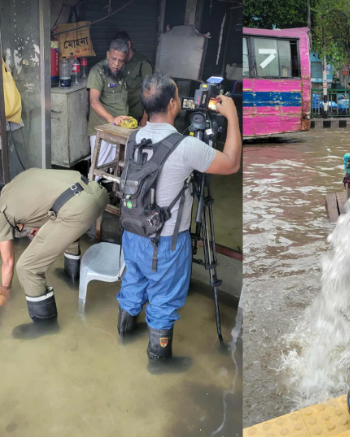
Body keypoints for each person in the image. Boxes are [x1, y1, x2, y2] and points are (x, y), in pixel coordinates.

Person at [116, 73, 241, 365]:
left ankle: (122, 337)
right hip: (166, 244)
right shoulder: (186, 147)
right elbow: (232, 164)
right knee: (164, 300)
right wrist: (232, 117)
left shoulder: (134, 136)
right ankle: (158, 364)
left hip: (132, 233)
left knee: (132, 284)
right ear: (174, 103)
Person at [0, 169, 108, 336]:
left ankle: (46, 324)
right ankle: (72, 277)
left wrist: (4, 288)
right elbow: (55, 200)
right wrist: (42, 225)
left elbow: (8, 262)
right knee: (67, 228)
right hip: (98, 194)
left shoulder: (3, 209)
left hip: (77, 211)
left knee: (26, 267)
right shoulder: (23, 177)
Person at [87, 39, 132, 173]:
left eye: (121, 60)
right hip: (103, 129)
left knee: (116, 170)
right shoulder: (97, 72)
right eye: (113, 59)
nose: (116, 64)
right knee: (99, 172)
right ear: (108, 54)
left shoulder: (122, 73)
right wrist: (111, 119)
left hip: (119, 130)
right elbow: (94, 101)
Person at [112, 31, 152, 126]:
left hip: (135, 117)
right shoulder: (117, 63)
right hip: (118, 116)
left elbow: (149, 93)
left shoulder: (143, 64)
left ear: (129, 44)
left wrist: (145, 117)